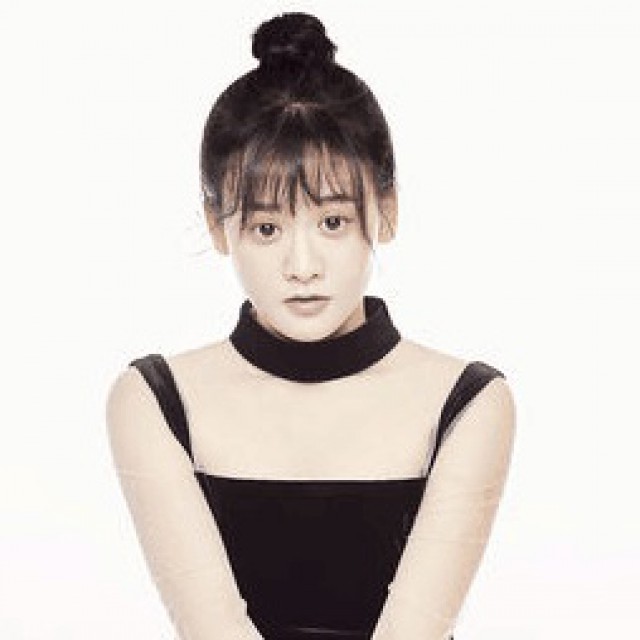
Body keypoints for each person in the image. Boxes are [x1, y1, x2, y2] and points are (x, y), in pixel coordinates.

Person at [106, 12, 516, 640]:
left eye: (332, 223)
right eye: (267, 228)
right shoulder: (155, 400)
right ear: (218, 228)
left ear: (386, 211)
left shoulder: (468, 401)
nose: (302, 267)